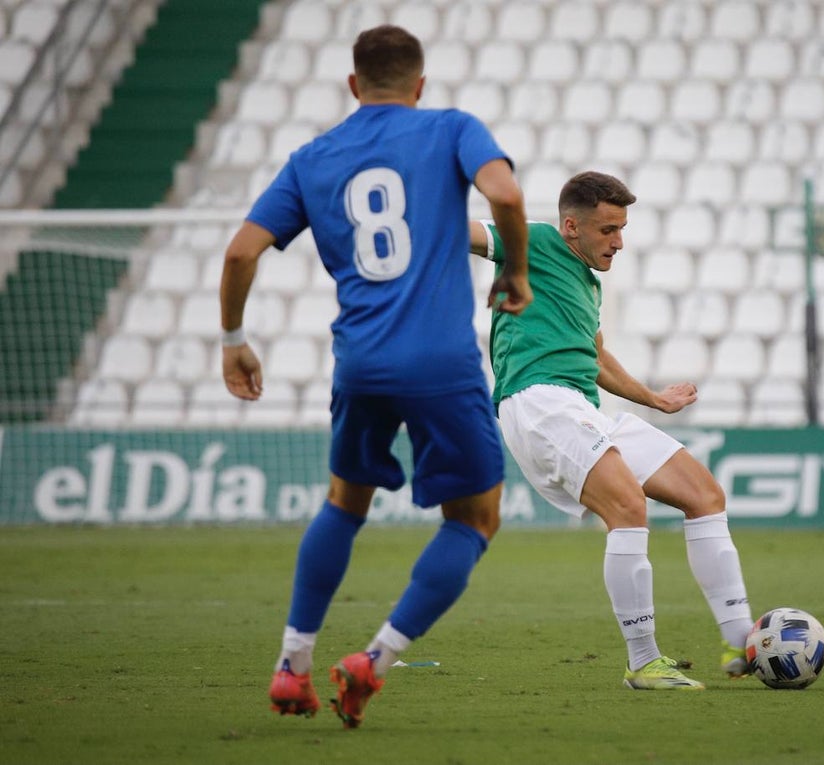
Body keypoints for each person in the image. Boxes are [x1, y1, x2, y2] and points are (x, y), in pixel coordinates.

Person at [219, 25, 531, 728]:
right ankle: (374, 658)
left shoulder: (312, 157)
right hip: (442, 365)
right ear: (419, 86)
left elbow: (241, 251)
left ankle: (291, 665)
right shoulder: (451, 128)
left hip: (359, 362)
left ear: (353, 85)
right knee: (476, 517)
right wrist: (514, 270)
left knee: (343, 504)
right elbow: (506, 195)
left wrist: (234, 340)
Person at [469, 171, 753, 690]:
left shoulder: (586, 282)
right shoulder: (533, 241)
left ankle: (742, 641)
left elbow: (594, 355)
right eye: (608, 230)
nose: (619, 242)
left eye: (622, 229)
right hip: (537, 402)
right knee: (627, 505)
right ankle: (643, 661)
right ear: (572, 227)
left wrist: (653, 399)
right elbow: (464, 232)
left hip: (581, 405)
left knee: (704, 494)